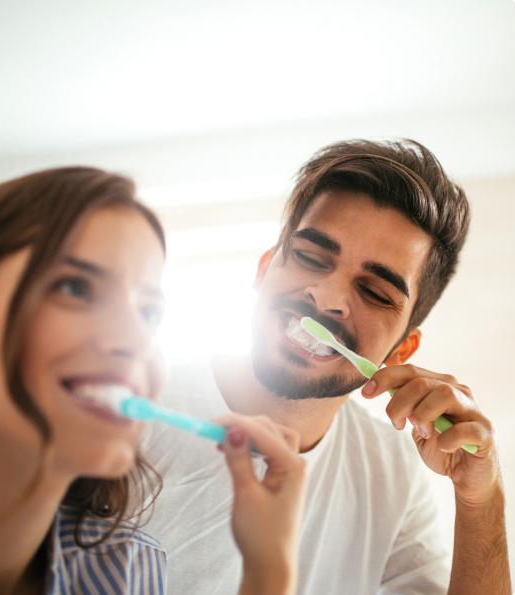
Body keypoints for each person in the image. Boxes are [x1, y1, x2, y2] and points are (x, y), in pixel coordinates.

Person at [0, 167, 308, 595]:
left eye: (149, 312)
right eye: (75, 288)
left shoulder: (126, 569)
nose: (136, 338)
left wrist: (269, 569)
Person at [143, 139, 511, 594]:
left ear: (401, 350)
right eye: (311, 258)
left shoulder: (390, 475)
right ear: (264, 270)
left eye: (375, 293)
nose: (327, 298)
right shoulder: (133, 405)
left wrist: (481, 500)